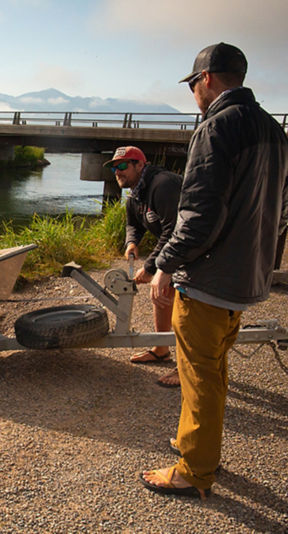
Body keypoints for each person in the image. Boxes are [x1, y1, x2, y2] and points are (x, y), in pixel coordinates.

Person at [140, 42, 288, 499]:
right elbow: (279, 215)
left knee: (199, 375)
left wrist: (166, 263)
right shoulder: (274, 131)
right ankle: (197, 445)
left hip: (209, 280)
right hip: (246, 277)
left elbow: (200, 213)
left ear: (206, 79)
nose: (193, 94)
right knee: (213, 370)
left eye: (192, 85)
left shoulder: (216, 127)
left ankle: (194, 469)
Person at [103, 146, 183, 387]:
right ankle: (161, 349)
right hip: (177, 250)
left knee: (185, 305)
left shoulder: (163, 185)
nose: (117, 171)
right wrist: (131, 243)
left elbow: (174, 229)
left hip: (199, 251)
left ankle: (188, 367)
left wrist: (149, 268)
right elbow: (133, 224)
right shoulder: (136, 193)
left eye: (123, 166)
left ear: (140, 164)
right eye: (115, 167)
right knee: (160, 294)